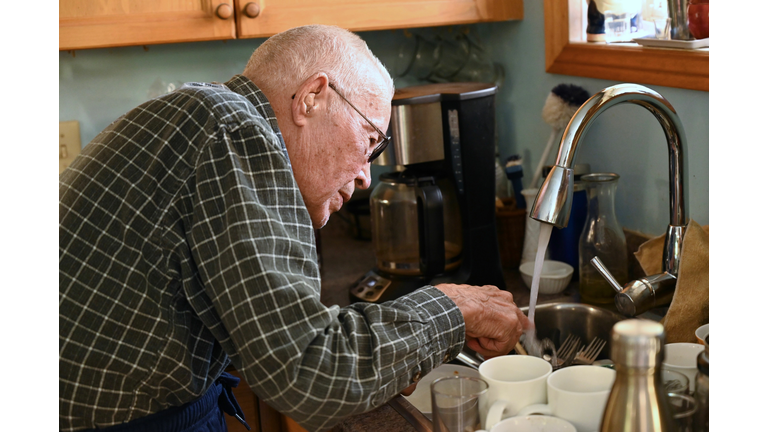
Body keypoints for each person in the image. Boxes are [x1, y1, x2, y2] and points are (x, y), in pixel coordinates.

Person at [59, 24, 530, 432]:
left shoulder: (206, 120)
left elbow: (282, 335)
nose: (367, 174)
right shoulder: (233, 131)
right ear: (311, 98)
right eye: (369, 140)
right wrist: (455, 306)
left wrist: (390, 356)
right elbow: (311, 371)